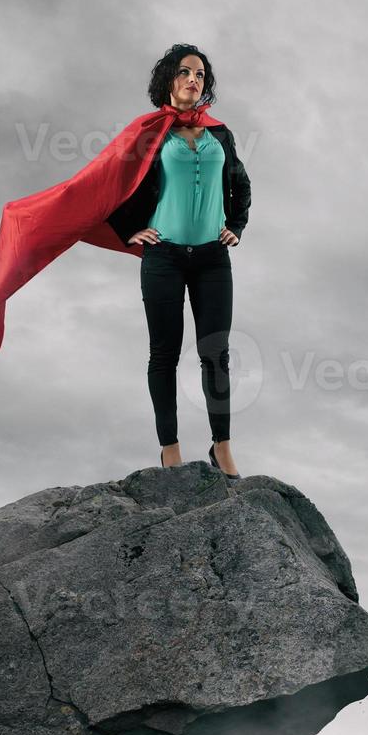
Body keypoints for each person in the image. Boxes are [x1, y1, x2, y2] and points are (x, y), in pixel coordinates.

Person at [108, 44, 251, 477]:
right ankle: (169, 449)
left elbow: (241, 185)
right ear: (168, 78)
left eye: (201, 75)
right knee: (163, 354)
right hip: (163, 258)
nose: (194, 80)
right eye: (186, 72)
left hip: (212, 259)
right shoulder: (150, 133)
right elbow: (110, 183)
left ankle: (221, 447)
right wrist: (128, 230)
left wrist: (236, 226)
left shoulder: (220, 133)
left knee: (216, 353)